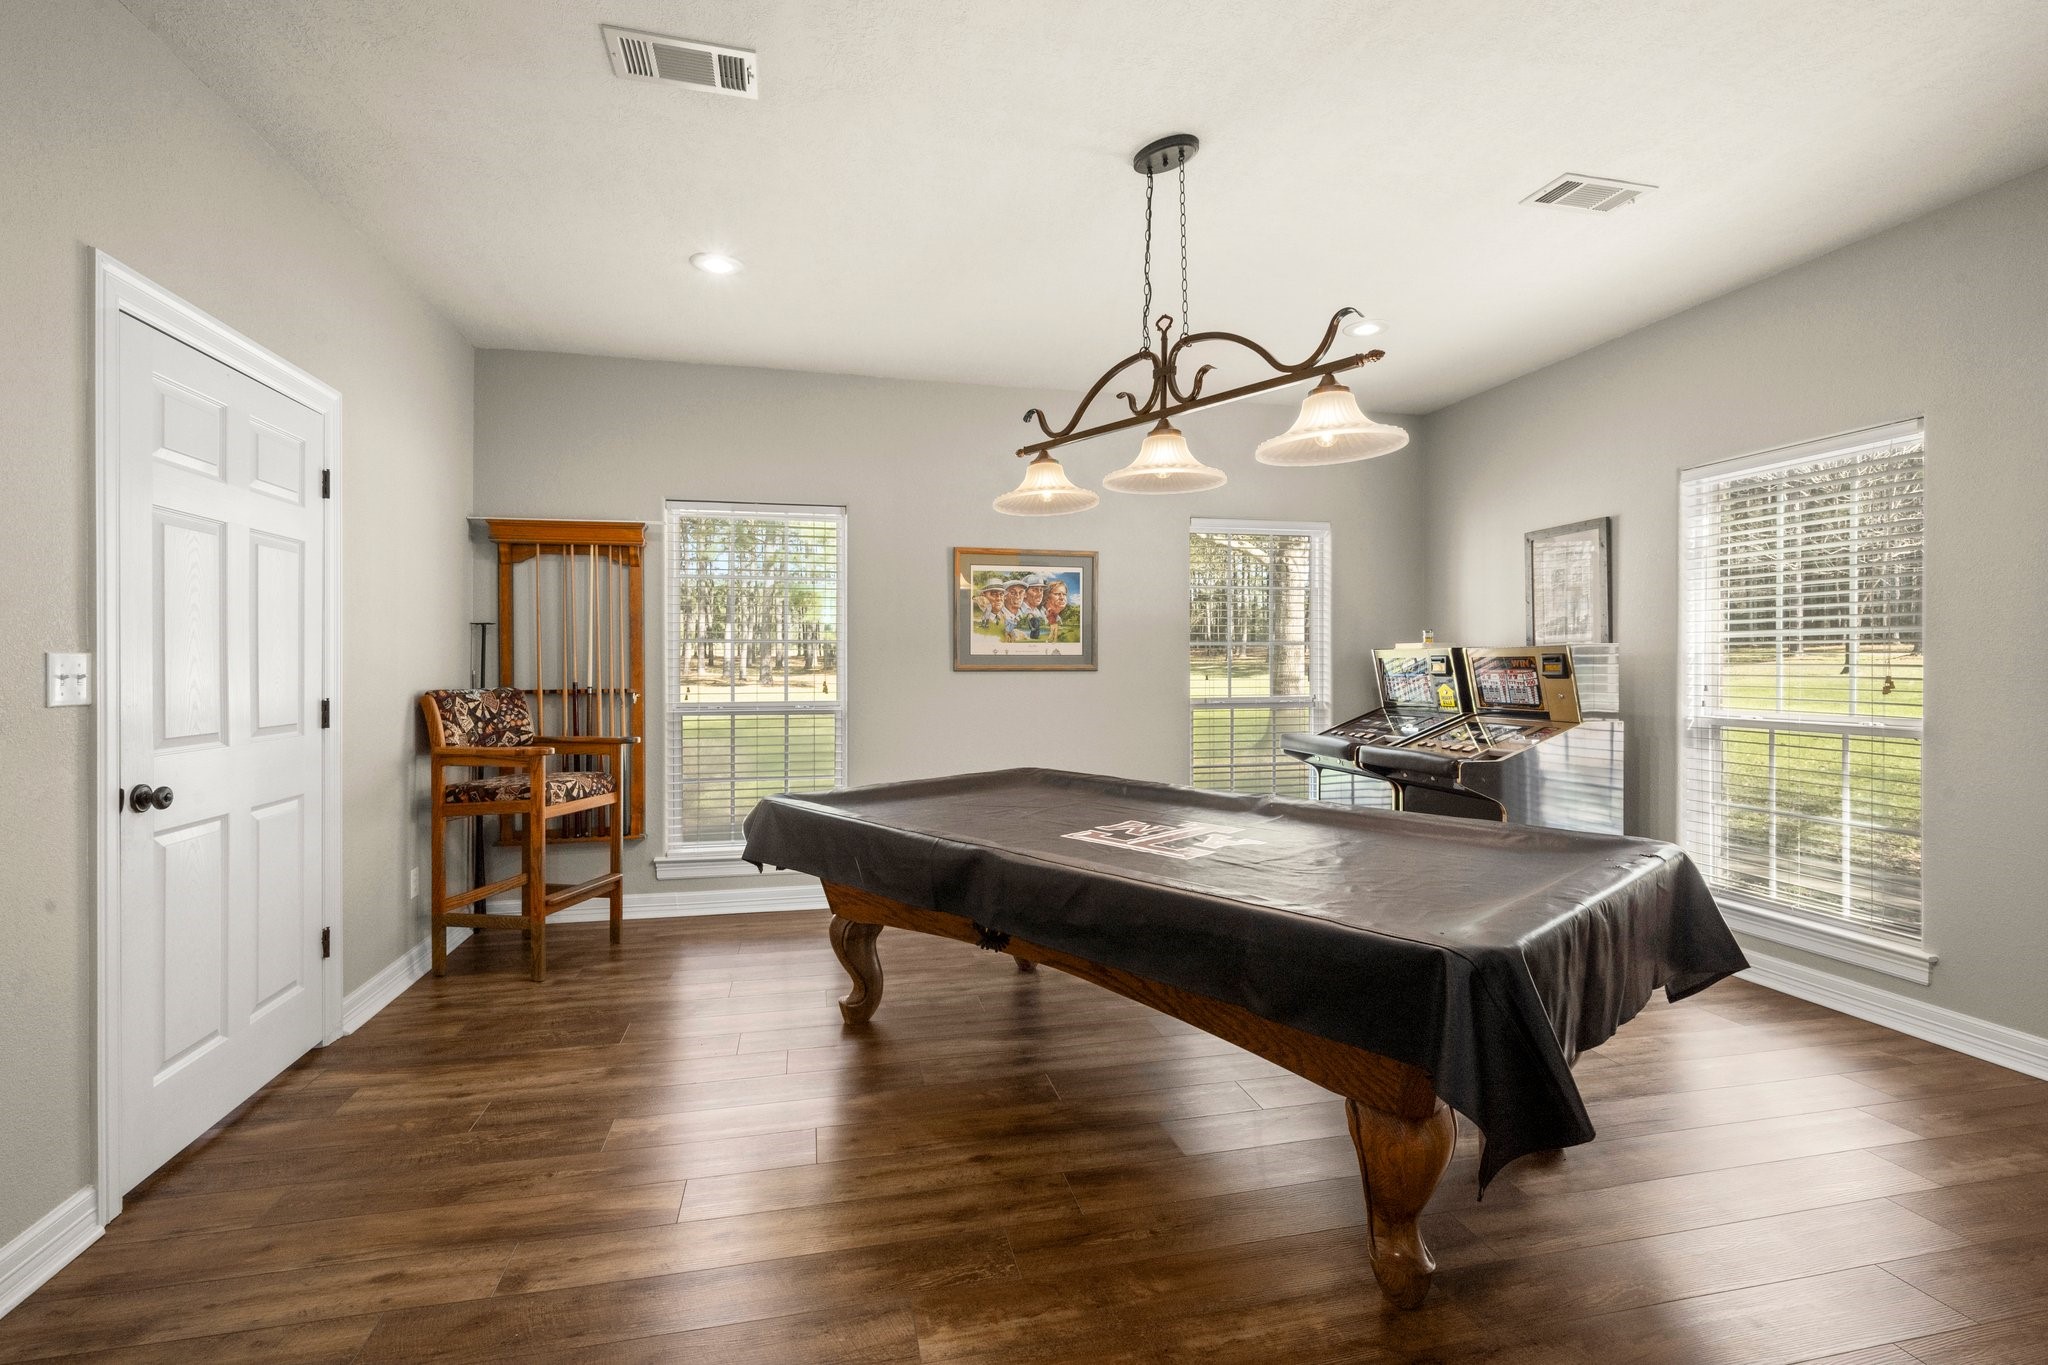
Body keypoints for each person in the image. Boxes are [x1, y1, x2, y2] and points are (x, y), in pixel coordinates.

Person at [1043, 576, 1079, 643]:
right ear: (1047, 597)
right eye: (1057, 594)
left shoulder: (1058, 618)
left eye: (1064, 594)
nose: (1062, 597)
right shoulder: (1040, 615)